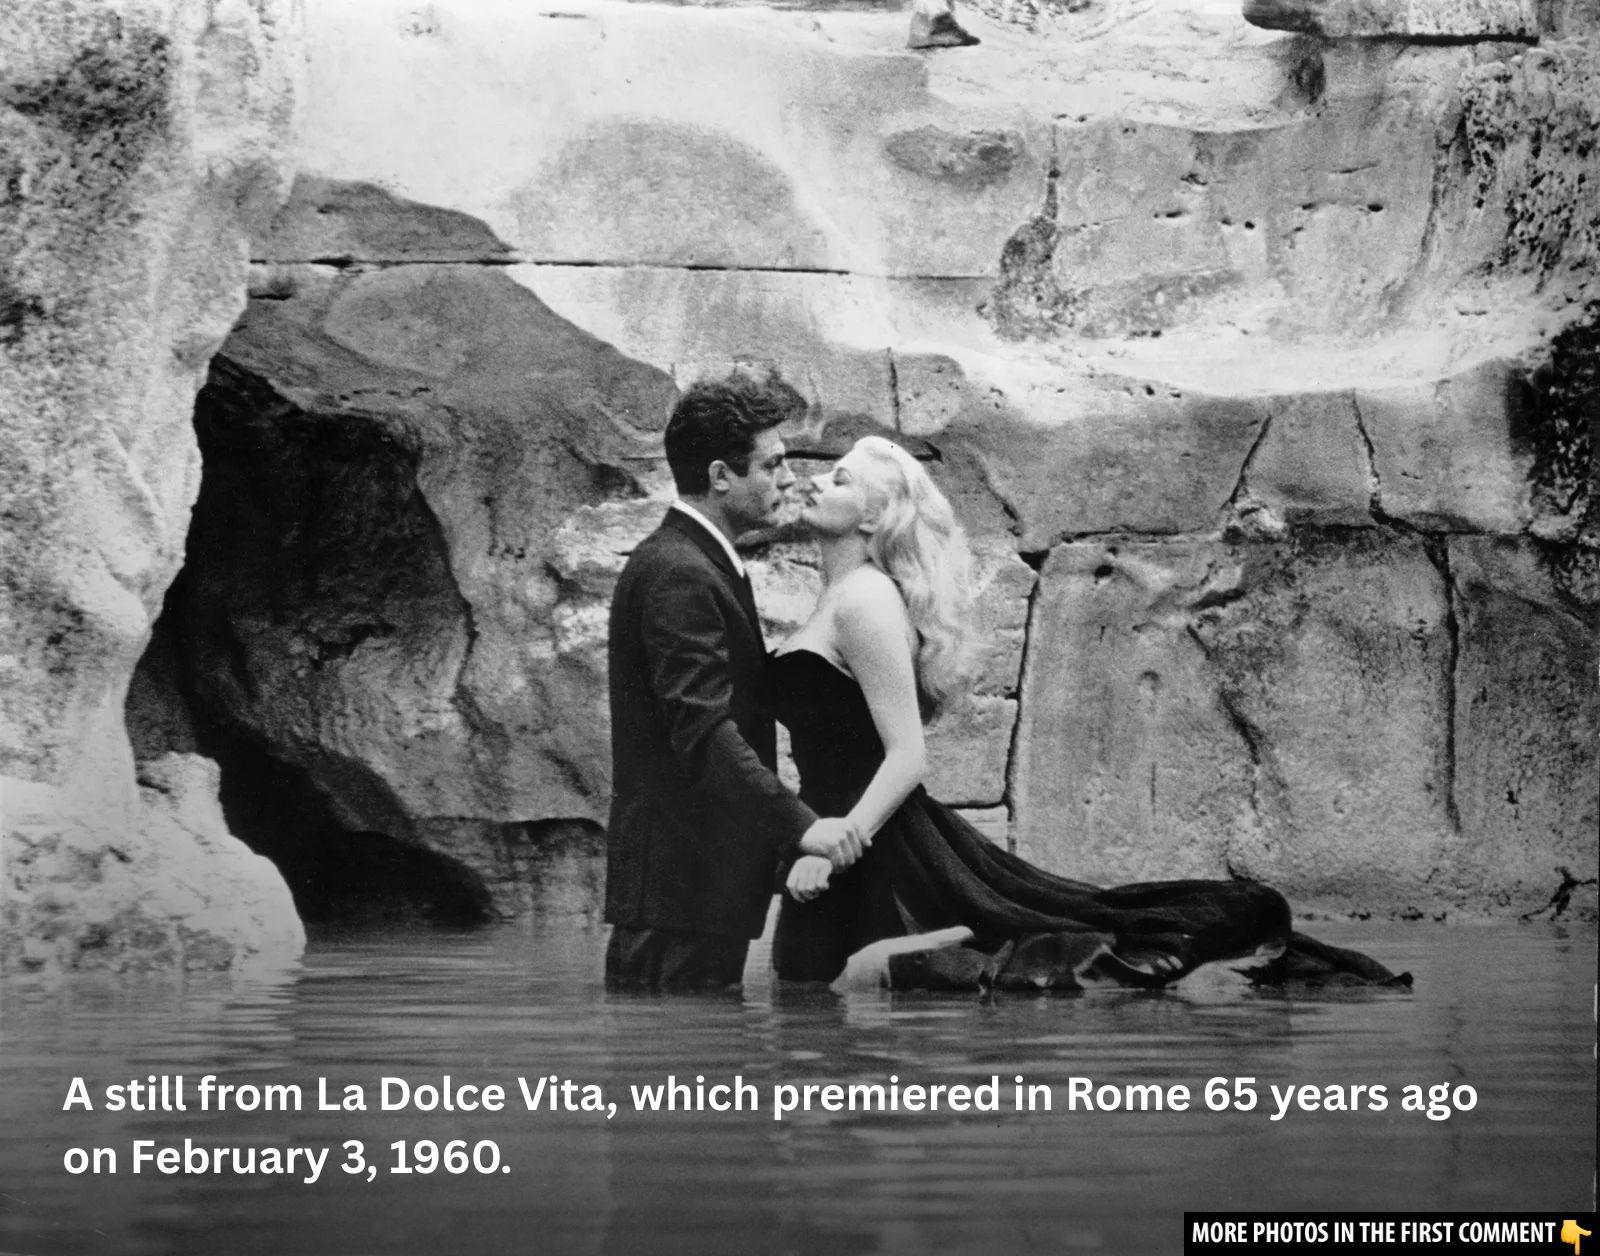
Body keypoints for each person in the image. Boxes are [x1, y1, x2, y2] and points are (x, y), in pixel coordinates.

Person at [768, 436, 1409, 991]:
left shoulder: (865, 600)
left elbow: (907, 755)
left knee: (837, 984)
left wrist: (839, 847)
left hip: (867, 838)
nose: (815, 481)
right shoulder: (840, 595)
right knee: (809, 985)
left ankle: (1184, 970)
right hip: (845, 832)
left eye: (841, 478)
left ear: (874, 515)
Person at [603, 367, 865, 993]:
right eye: (772, 464)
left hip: (693, 892)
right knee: (677, 1052)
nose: (789, 479)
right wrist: (803, 825)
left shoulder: (697, 561)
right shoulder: (682, 572)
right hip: (680, 897)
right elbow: (704, 733)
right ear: (721, 476)